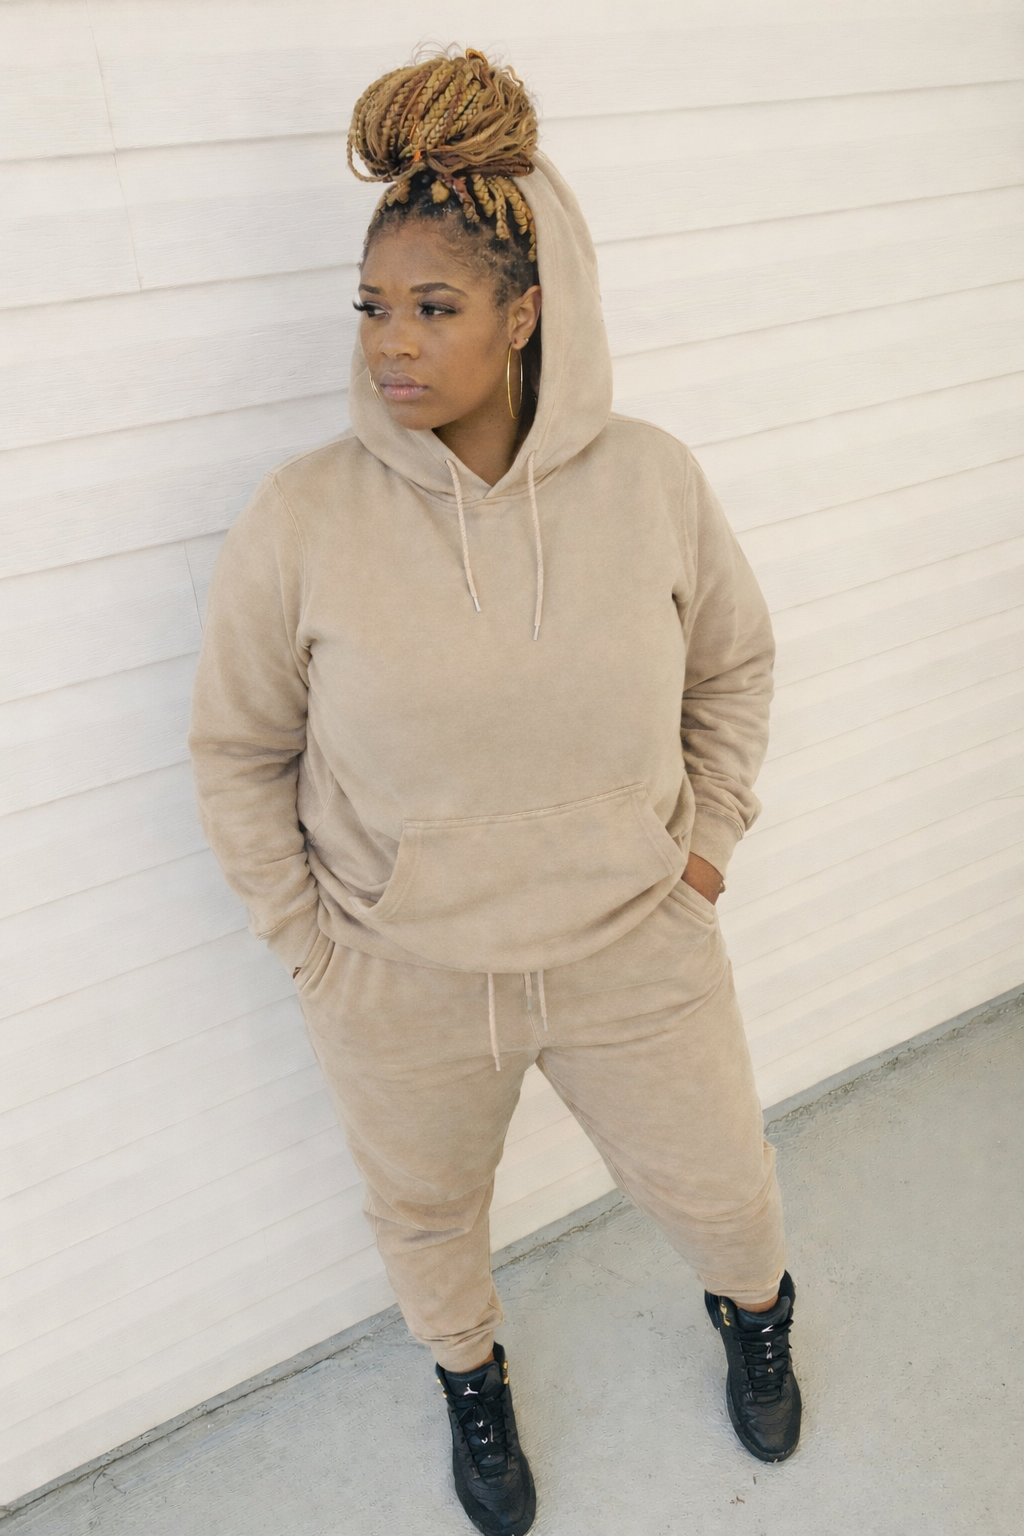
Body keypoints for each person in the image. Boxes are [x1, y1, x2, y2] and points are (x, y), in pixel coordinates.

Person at [188, 47, 802, 1536]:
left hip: (633, 947)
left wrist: (705, 852)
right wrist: (312, 950)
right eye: (372, 308)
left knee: (728, 1191)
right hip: (400, 977)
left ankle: (754, 1315)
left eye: (434, 307)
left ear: (525, 315)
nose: (390, 344)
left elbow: (732, 666)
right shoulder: (303, 516)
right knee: (426, 1221)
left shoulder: (651, 480)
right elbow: (238, 749)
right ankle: (472, 1379)